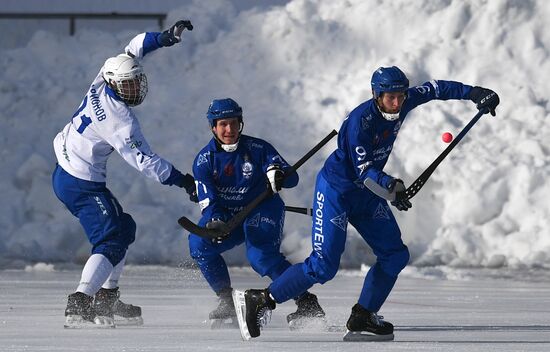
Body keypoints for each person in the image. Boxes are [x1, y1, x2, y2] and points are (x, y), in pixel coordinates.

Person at [234, 66, 500, 340]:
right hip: (337, 190)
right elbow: (366, 172)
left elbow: (436, 89)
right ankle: (262, 299)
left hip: (367, 194)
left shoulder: (404, 99)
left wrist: (476, 93)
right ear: (376, 95)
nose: (396, 103)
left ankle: (363, 314)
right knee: (323, 265)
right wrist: (391, 188)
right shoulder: (361, 123)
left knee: (395, 255)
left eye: (400, 96)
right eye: (389, 98)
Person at [52, 20, 198, 328]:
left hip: (68, 171)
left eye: (136, 81)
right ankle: (79, 302)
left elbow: (135, 47)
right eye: (129, 84)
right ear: (115, 83)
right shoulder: (121, 121)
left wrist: (165, 37)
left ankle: (108, 298)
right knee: (112, 238)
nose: (135, 88)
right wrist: (183, 180)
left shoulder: (100, 81)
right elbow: (145, 161)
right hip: (81, 183)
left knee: (124, 227)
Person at [189, 98, 325, 329]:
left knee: (261, 257)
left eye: (233, 123)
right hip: (228, 216)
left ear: (240, 123)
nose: (229, 130)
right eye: (223, 124)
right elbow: (208, 200)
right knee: (199, 244)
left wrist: (277, 172)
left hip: (263, 209)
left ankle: (306, 301)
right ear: (213, 127)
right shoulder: (204, 161)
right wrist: (216, 221)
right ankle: (226, 300)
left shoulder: (259, 149)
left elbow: (292, 178)